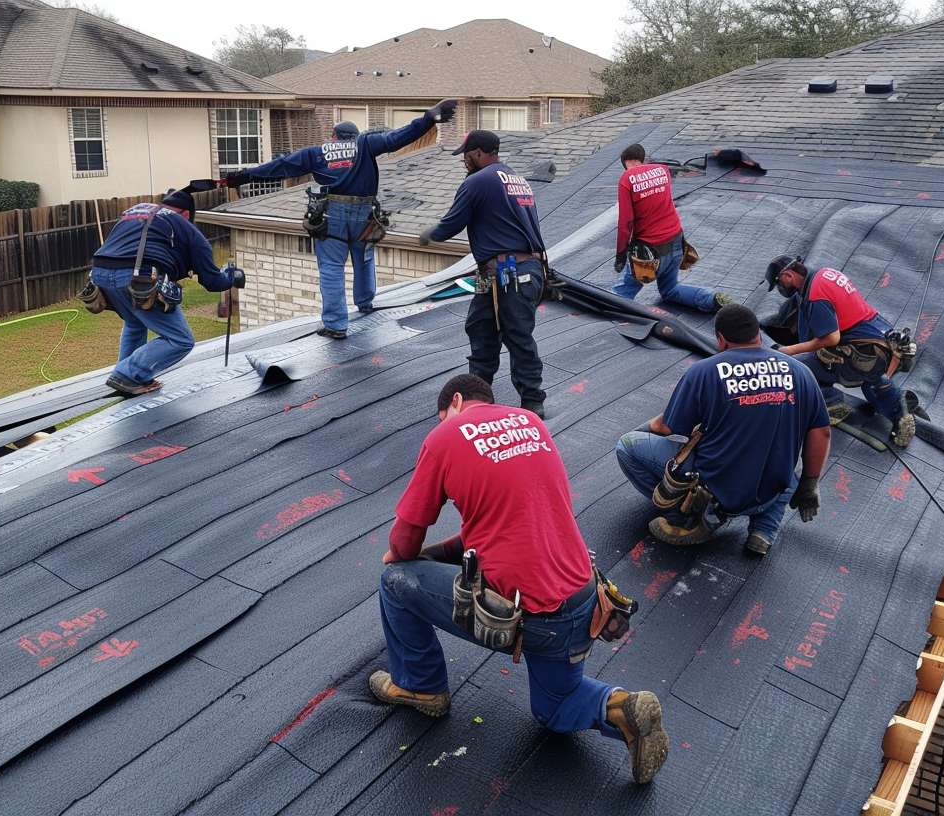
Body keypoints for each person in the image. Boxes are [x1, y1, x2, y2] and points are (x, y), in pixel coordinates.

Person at [373, 374, 670, 784]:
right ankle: (622, 707)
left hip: (533, 618)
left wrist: (406, 556)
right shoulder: (530, 423)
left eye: (442, 417)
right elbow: (499, 525)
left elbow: (404, 542)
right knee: (554, 708)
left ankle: (421, 688)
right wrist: (439, 554)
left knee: (395, 581)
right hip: (584, 604)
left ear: (455, 402)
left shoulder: (445, 437)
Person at [220, 100, 457, 339]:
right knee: (364, 259)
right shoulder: (365, 143)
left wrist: (244, 176)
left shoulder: (317, 153)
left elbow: (281, 166)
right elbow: (397, 138)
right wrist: (427, 119)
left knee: (332, 268)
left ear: (333, 136)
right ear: (354, 136)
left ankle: (336, 325)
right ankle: (365, 303)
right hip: (365, 215)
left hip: (331, 214)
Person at [615, 304, 831, 554]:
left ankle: (689, 513)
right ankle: (764, 529)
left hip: (717, 490)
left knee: (627, 446)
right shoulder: (800, 372)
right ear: (758, 334)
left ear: (721, 339)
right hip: (770, 489)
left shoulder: (704, 372)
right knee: (792, 466)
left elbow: (668, 427)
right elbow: (821, 432)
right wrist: (809, 484)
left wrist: (645, 429)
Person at [418, 130, 547, 417]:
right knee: (480, 327)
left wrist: (428, 235)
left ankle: (533, 404)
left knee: (517, 335)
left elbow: (451, 224)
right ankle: (477, 398)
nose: (464, 161)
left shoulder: (478, 181)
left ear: (477, 153)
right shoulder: (516, 179)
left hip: (509, 270)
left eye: (466, 155)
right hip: (506, 270)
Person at [89, 189, 243, 396]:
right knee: (180, 340)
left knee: (135, 322)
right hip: (138, 277)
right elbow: (213, 282)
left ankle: (128, 377)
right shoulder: (187, 229)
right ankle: (127, 374)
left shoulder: (138, 212)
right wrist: (231, 276)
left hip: (98, 275)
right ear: (187, 215)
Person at [764, 255, 916, 447]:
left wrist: (788, 350)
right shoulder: (824, 274)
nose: (780, 289)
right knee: (872, 388)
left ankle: (831, 403)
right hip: (880, 339)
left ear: (787, 275)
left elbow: (831, 338)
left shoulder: (815, 294)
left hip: (865, 352)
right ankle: (895, 402)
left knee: (796, 370)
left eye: (779, 284)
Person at [613, 143, 731, 312]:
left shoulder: (627, 179)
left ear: (625, 162)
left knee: (618, 297)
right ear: (642, 158)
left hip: (649, 251)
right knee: (670, 290)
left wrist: (620, 254)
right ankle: (711, 298)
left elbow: (626, 222)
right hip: (676, 241)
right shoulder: (662, 170)